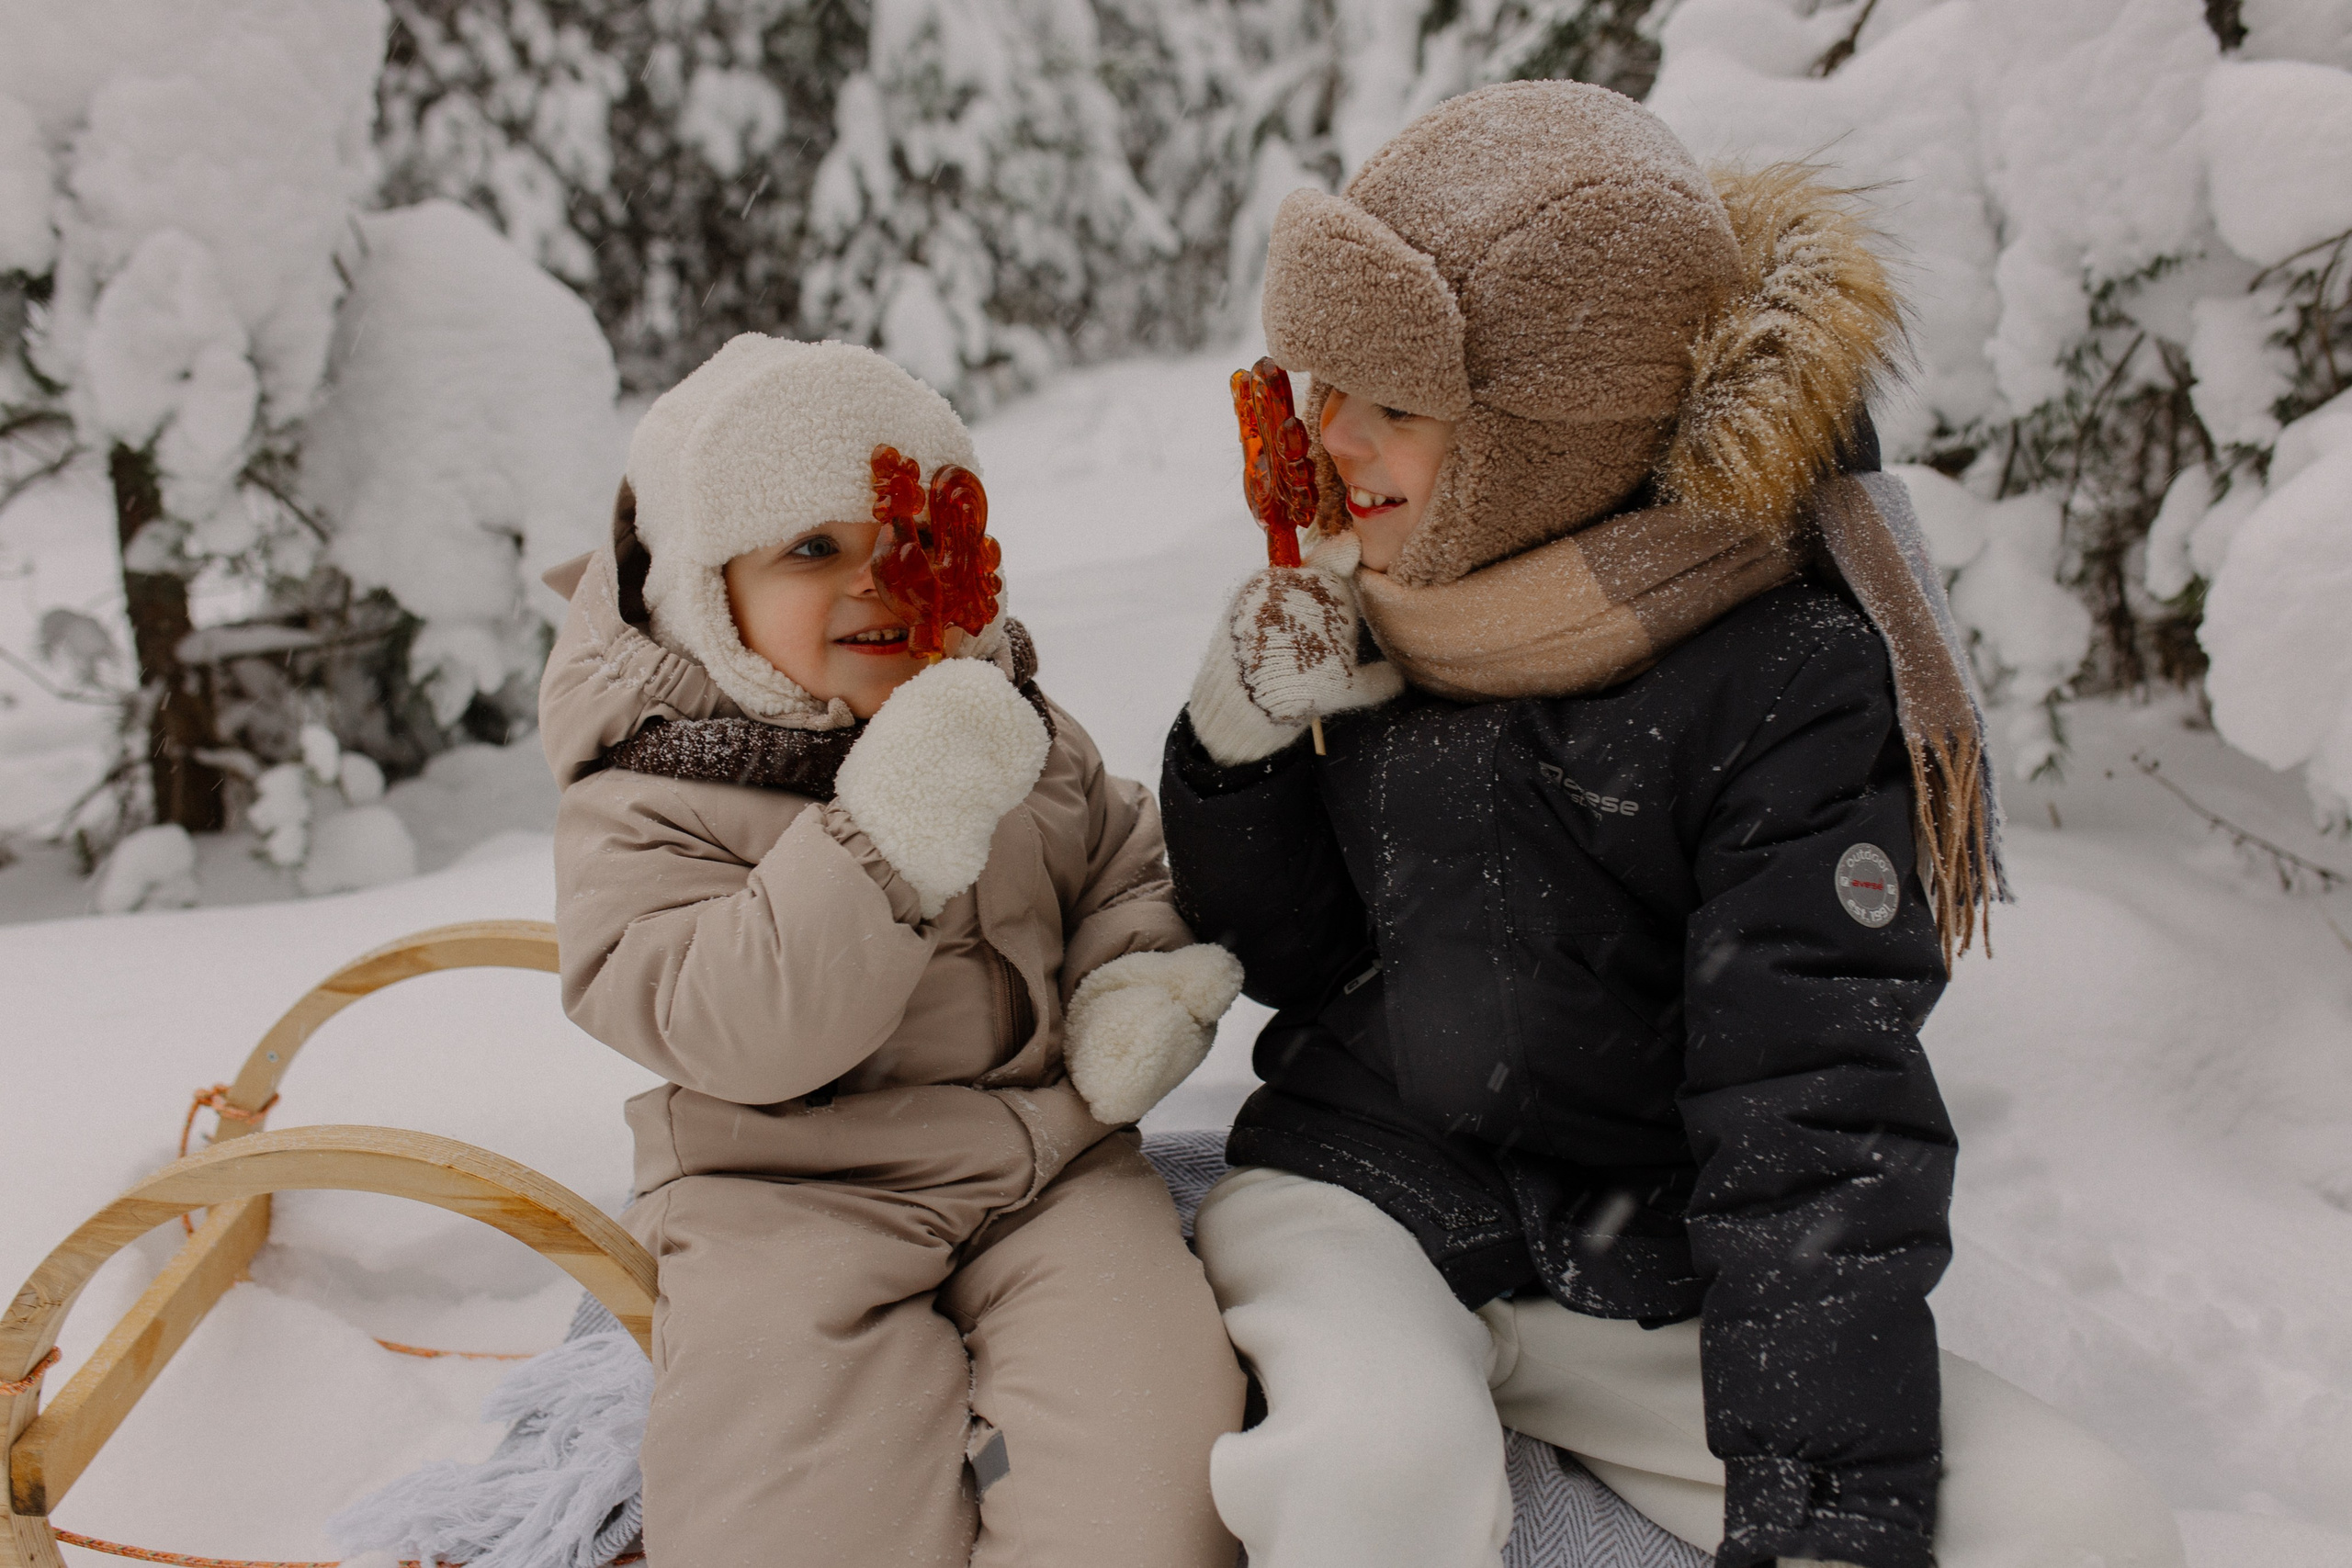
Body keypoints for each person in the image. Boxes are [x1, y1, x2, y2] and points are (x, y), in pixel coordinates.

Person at [1159, 82, 2186, 1568]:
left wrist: (1829, 1514)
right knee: (1380, 1485)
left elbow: (1812, 1109)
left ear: (1547, 434)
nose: (1331, 446)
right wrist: (1237, 757)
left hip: (1637, 1268)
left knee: (2086, 1528)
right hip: (1362, 1200)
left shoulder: (1787, 680)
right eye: (1321, 386)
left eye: (1394, 404)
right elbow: (1295, 954)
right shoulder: (1368, 600)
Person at [537, 335, 1247, 1568]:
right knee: (799, 1506)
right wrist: (885, 838)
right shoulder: (648, 794)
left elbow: (1124, 853)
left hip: (1048, 1175)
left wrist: (1132, 978)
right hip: (781, 1195)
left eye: (914, 540)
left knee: (1156, 1468)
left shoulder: (1007, 722)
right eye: (812, 549)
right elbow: (733, 1024)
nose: (878, 581)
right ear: (708, 591)